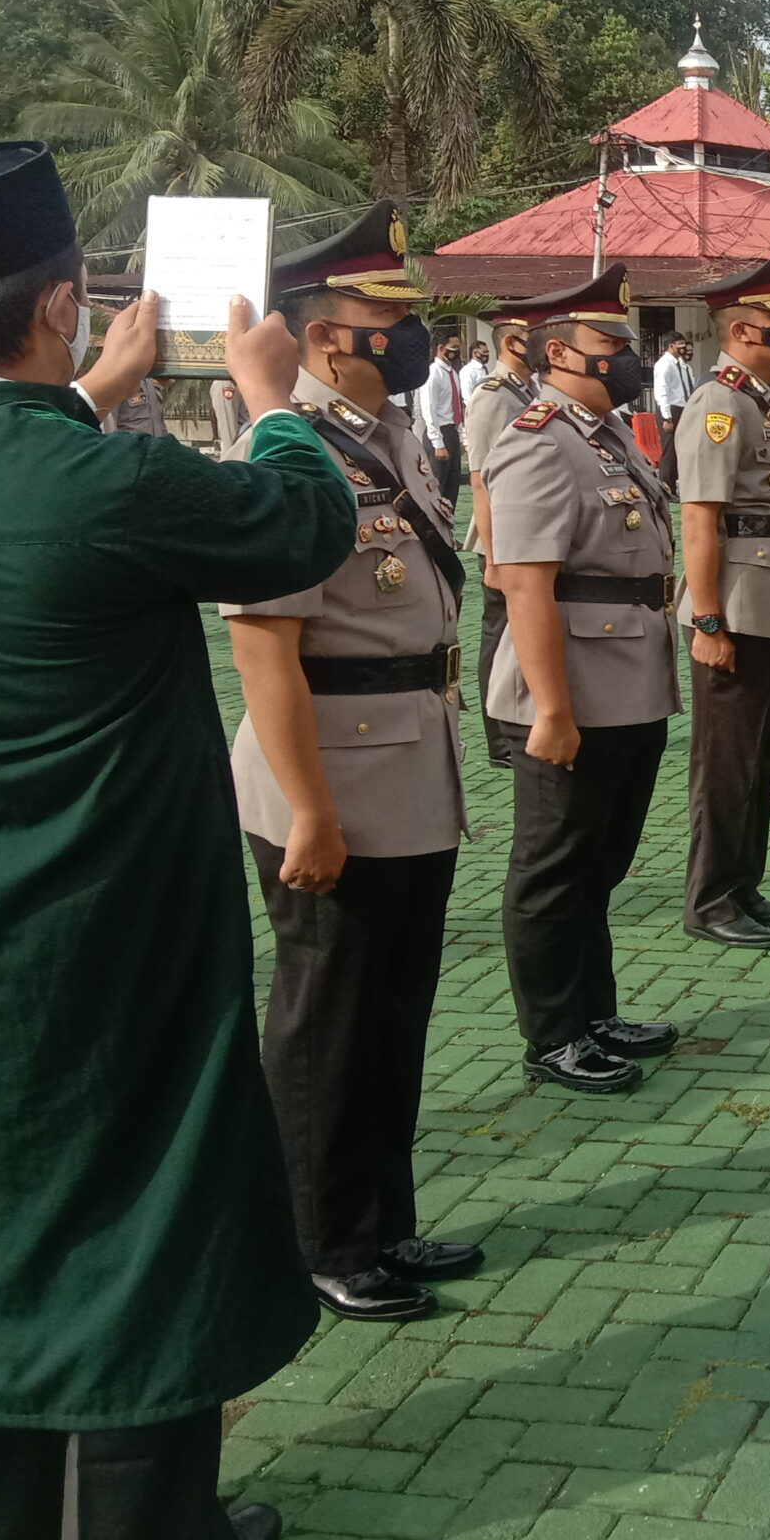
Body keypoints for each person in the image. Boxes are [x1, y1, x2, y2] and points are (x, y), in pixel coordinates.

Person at [0, 141, 353, 1540]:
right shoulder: (109, 485)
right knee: (141, 1208)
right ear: (65, 302)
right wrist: (270, 395)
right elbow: (300, 526)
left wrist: (88, 392)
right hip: (112, 932)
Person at [223, 202, 479, 1324]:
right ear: (327, 336)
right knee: (325, 1017)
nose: (411, 334)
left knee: (393, 1009)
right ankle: (318, 1239)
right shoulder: (280, 450)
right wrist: (309, 811)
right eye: (391, 317)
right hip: (326, 777)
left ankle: (381, 1218)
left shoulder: (392, 437)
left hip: (408, 764)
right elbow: (262, 649)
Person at [483, 266, 682, 1093]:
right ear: (558, 353)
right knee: (553, 867)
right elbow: (522, 581)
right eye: (612, 347)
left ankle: (595, 1011)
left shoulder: (603, 438)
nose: (628, 361)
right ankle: (554, 1035)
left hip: (630, 681)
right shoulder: (534, 438)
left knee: (600, 862)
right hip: (574, 690)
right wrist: (552, 708)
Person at [676, 254, 770, 947]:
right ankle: (710, 898)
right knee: (727, 761)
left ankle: (744, 884)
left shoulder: (768, 400)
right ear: (740, 331)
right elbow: (701, 519)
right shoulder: (719, 405)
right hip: (735, 603)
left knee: (762, 756)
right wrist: (706, 620)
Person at [466, 301, 542, 768]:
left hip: (524, 534)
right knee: (498, 635)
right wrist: (493, 557)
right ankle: (499, 740)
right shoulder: (494, 395)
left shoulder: (524, 391)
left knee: (519, 632)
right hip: (501, 539)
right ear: (513, 344)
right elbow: (481, 480)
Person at [415, 332, 463, 506]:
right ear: (441, 348)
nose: (457, 351)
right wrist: (438, 443)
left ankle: (449, 530)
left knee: (452, 489)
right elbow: (429, 410)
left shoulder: (453, 373)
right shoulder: (433, 373)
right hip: (439, 433)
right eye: (454, 347)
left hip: (451, 432)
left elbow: (456, 406)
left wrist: (461, 436)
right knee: (437, 490)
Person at [652, 331, 696, 494]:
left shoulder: (680, 365)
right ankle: (666, 488)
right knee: (669, 450)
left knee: (681, 449)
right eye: (680, 344)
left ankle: (675, 486)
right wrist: (667, 416)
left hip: (683, 409)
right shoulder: (664, 365)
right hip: (671, 410)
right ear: (671, 346)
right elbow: (661, 391)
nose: (684, 348)